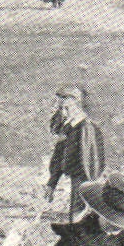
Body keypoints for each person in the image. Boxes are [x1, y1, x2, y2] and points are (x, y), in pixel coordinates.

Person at [45, 86, 105, 221]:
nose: (63, 113)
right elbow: (59, 154)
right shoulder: (69, 127)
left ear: (77, 105)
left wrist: (87, 188)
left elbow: (89, 163)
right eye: (61, 108)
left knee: (78, 214)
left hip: (83, 179)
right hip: (77, 178)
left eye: (66, 108)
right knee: (76, 214)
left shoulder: (86, 128)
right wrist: (52, 183)